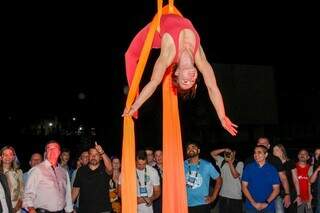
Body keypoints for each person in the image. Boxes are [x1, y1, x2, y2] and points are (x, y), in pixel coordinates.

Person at [123, 13, 238, 136]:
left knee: (130, 55)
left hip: (155, 32)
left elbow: (154, 82)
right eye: (192, 82)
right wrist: (222, 115)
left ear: (177, 72)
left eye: (185, 82)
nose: (191, 79)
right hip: (176, 16)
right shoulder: (199, 57)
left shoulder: (168, 55)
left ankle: (133, 96)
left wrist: (134, 106)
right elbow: (212, 87)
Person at [23, 140, 73, 213]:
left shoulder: (64, 172)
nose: (52, 151)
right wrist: (31, 210)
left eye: (55, 149)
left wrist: (70, 210)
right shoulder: (37, 170)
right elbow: (28, 195)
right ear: (46, 153)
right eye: (49, 149)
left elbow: (67, 196)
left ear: (59, 152)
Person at [72, 143, 113, 213]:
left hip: (103, 210)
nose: (93, 156)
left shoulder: (104, 169)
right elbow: (75, 190)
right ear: (88, 156)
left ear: (100, 157)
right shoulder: (81, 170)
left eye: (96, 154)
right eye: (91, 154)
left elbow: (110, 169)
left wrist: (102, 152)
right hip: (84, 210)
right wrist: (69, 206)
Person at [184, 142, 222, 213]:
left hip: (202, 204)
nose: (190, 149)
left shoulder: (207, 165)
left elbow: (219, 180)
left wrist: (213, 197)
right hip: (186, 204)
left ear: (198, 151)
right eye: (188, 148)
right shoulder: (182, 164)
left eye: (193, 147)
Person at [242, 145, 280, 213]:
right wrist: (253, 203)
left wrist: (266, 203)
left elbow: (276, 189)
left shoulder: (272, 169)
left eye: (259, 152)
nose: (256, 155)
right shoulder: (248, 167)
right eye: (255, 152)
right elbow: (244, 187)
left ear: (266, 155)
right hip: (251, 206)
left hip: (268, 207)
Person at [210, 147, 243, 213]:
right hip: (223, 196)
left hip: (236, 197)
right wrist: (224, 149)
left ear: (234, 153)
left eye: (230, 152)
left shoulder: (239, 163)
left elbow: (235, 175)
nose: (228, 154)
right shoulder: (222, 161)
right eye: (226, 153)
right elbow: (212, 153)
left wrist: (230, 161)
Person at [272, 144, 298, 213]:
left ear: (282, 151)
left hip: (291, 191)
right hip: (278, 193)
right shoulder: (272, 164)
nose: (274, 152)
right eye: (273, 150)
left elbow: (295, 180)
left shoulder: (290, 162)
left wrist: (298, 194)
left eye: (276, 150)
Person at [0, 146, 24, 213]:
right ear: (1, 157)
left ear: (14, 157)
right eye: (5, 154)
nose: (8, 157)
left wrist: (16, 208)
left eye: (10, 154)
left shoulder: (18, 172)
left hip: (15, 207)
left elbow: (22, 192)